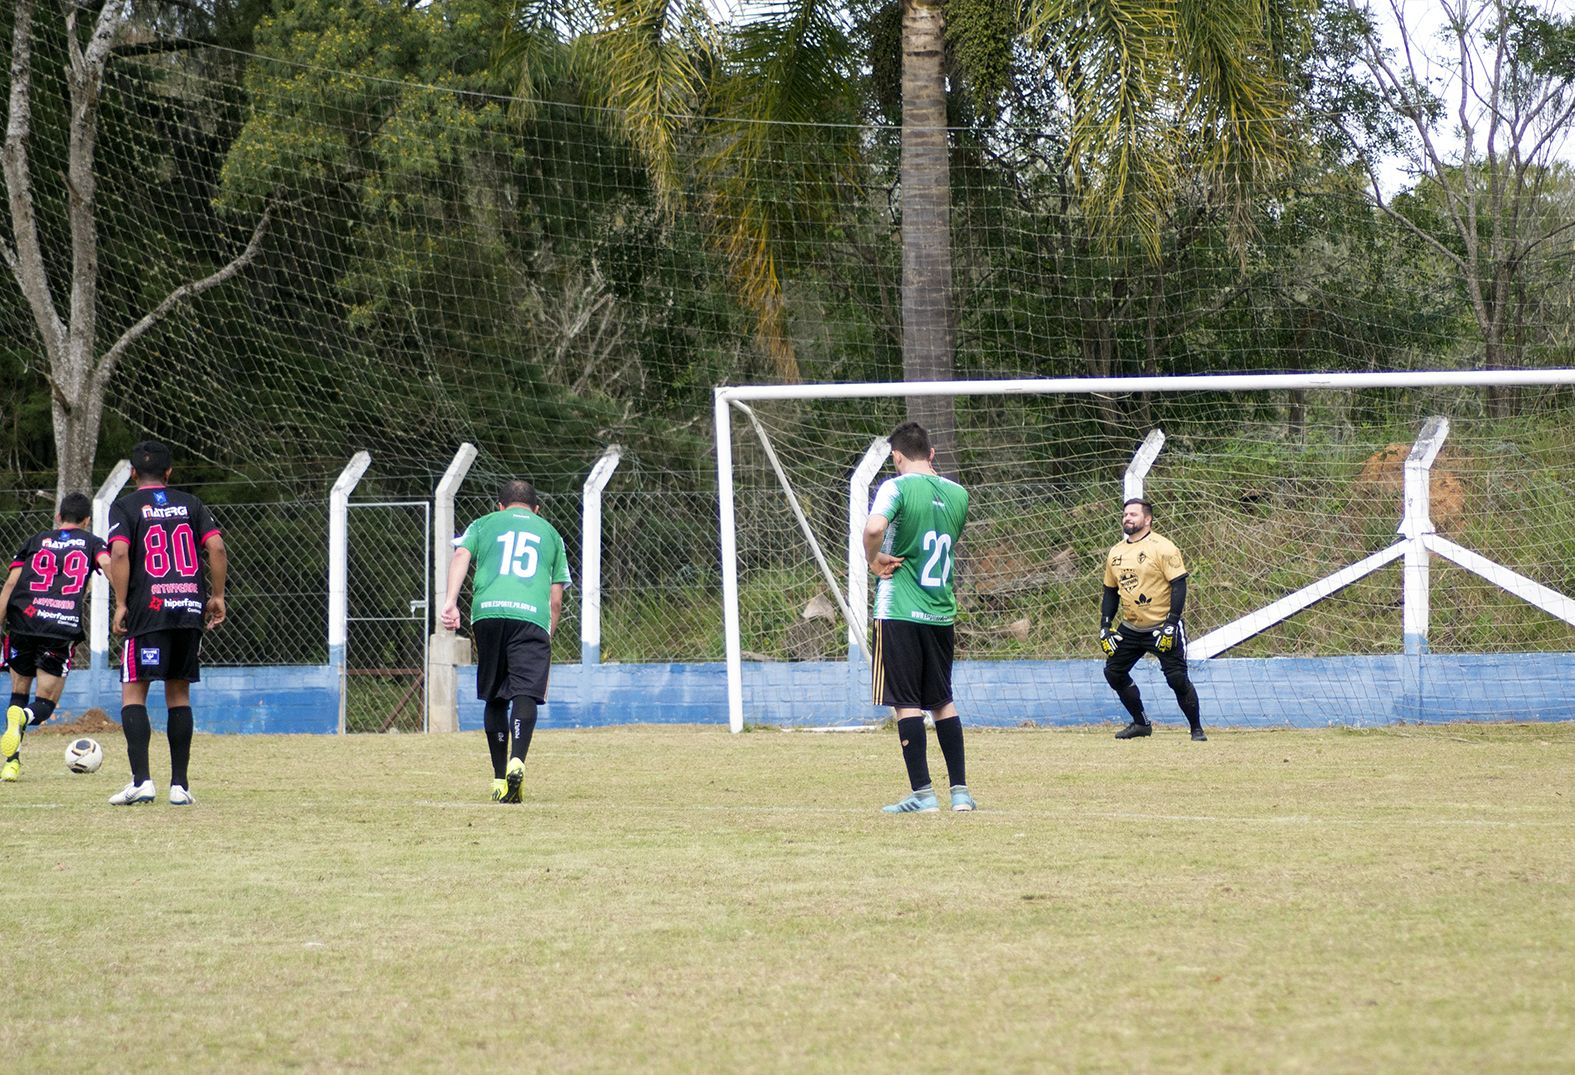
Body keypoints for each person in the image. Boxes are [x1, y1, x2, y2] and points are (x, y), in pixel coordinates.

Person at [106, 441, 227, 805]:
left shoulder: (125, 506)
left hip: (148, 609)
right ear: (169, 472)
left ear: (132, 474)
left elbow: (119, 552)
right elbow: (217, 547)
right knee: (178, 694)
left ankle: (142, 781)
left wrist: (121, 603)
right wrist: (217, 595)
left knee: (134, 692)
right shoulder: (191, 504)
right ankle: (180, 786)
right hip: (188, 607)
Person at [863, 421, 974, 813]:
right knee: (942, 699)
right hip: (940, 611)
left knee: (906, 701)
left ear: (896, 457)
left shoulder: (894, 487)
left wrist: (873, 558)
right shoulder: (959, 494)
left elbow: (875, 527)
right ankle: (960, 793)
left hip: (899, 609)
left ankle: (924, 794)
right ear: (932, 453)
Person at [440, 479, 569, 804]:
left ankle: (499, 779)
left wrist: (451, 602)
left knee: (495, 696)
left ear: (500, 506)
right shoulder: (551, 534)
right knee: (525, 691)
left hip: (488, 613)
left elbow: (461, 554)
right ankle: (517, 760)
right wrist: (546, 637)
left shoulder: (483, 524)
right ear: (536, 509)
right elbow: (555, 599)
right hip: (530, 617)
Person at [0, 493, 112, 780]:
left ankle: (11, 764)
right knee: (45, 703)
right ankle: (24, 717)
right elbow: (109, 564)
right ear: (87, 520)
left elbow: (10, 584)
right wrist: (126, 599)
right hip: (59, 626)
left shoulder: (36, 540)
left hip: (22, 621)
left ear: (58, 517)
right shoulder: (91, 542)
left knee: (18, 692)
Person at [1100, 497, 1206, 741]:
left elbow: (1179, 585)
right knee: (1114, 672)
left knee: (1177, 679)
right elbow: (1110, 591)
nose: (1127, 518)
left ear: (1147, 519)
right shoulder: (1115, 552)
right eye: (1125, 514)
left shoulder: (1163, 547)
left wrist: (1171, 623)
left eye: (1133, 514)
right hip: (1131, 627)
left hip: (1161, 626)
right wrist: (1105, 626)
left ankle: (1196, 729)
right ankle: (1141, 724)